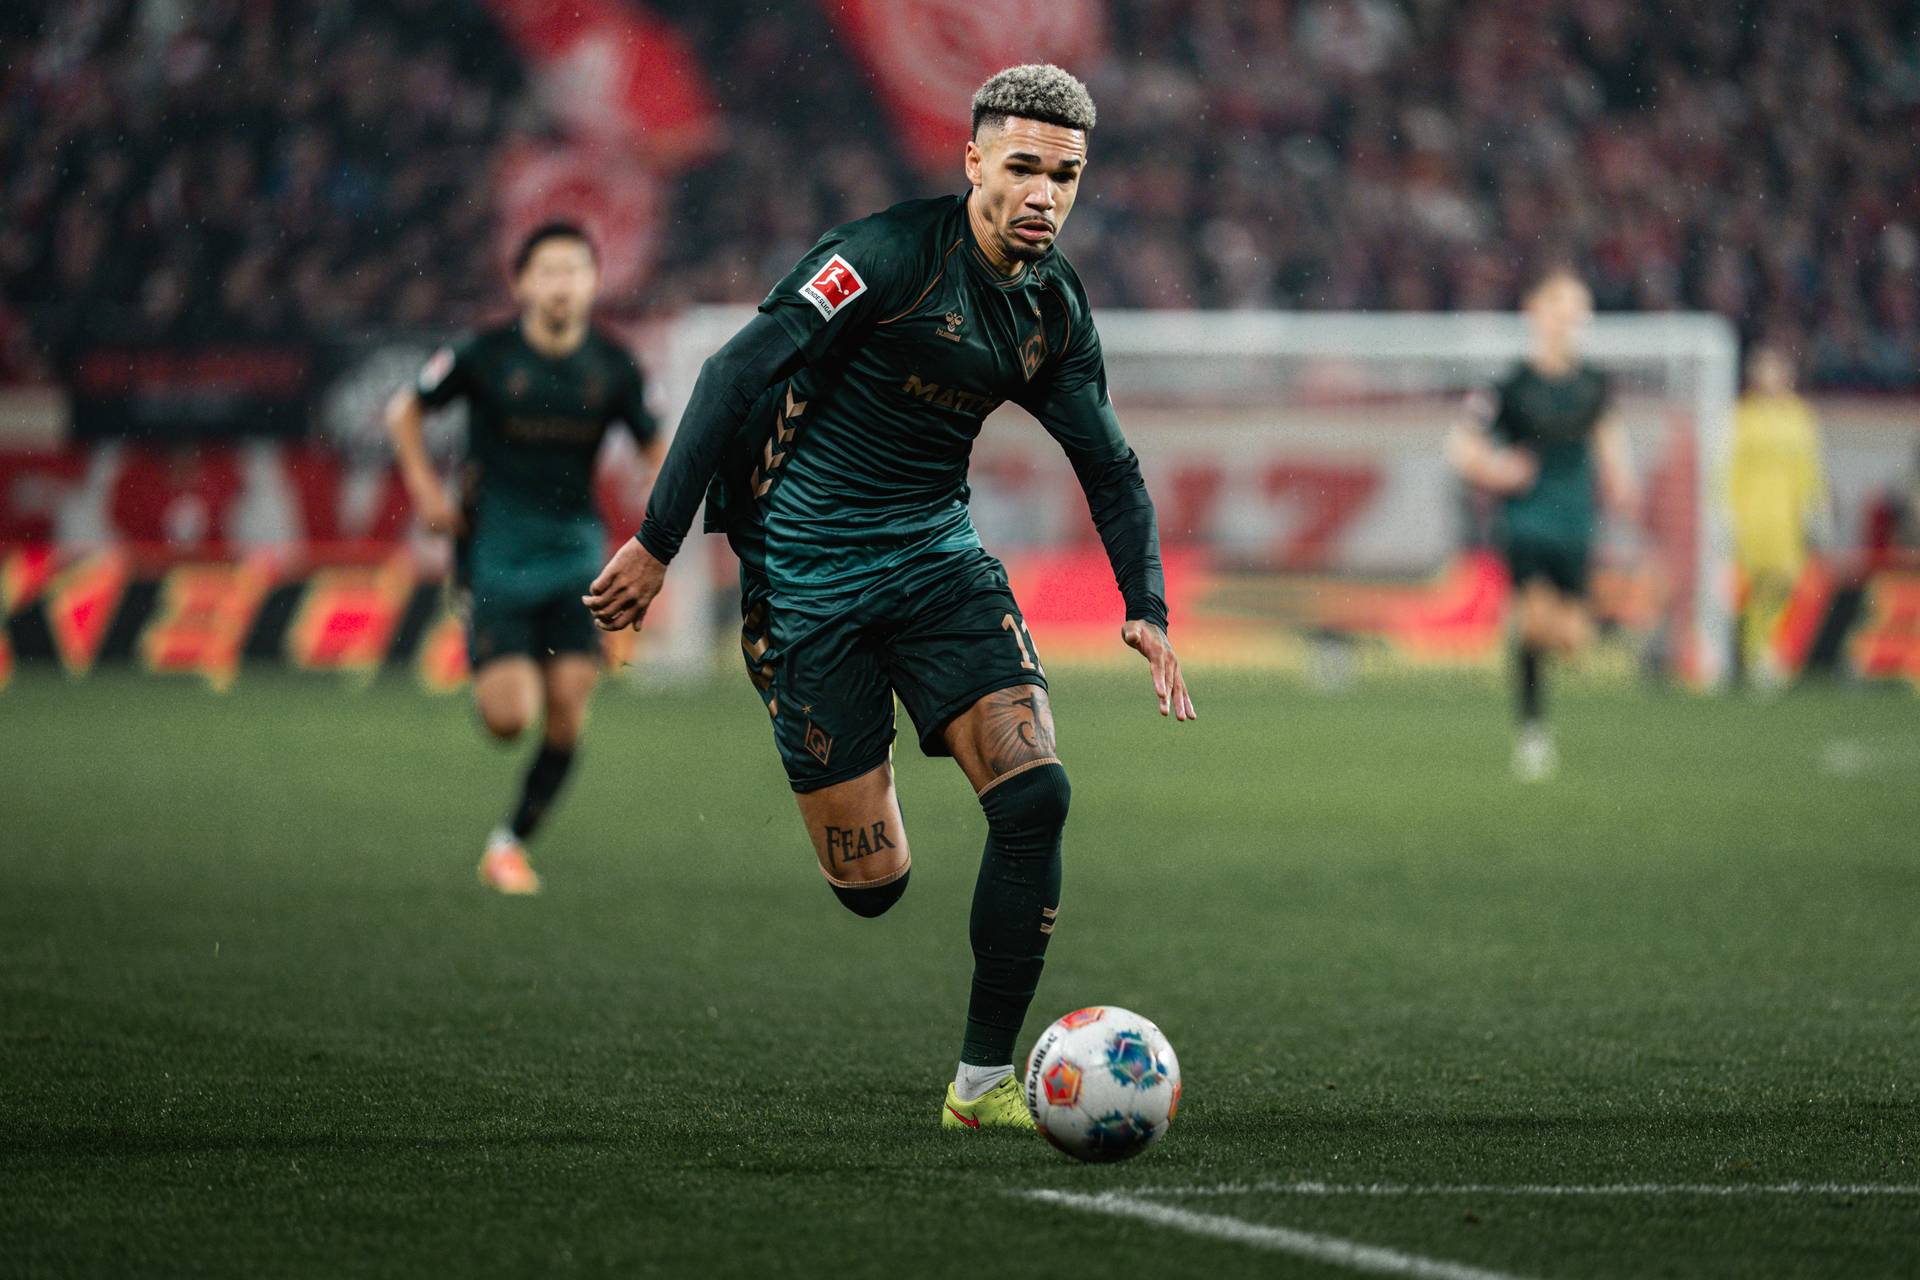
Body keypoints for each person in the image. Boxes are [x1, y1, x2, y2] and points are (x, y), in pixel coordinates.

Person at [583, 64, 1195, 1130]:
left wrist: (1145, 599)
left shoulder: (1048, 309)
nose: (1044, 193)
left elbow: (1111, 465)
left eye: (1066, 174)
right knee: (873, 885)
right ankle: (860, 767)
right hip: (807, 587)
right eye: (1022, 167)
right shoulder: (883, 258)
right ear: (972, 163)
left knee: (1036, 795)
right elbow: (731, 374)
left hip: (937, 565)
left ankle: (979, 1085)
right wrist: (657, 542)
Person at [386, 222, 662, 894]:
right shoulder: (484, 355)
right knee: (510, 720)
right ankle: (492, 656)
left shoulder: (614, 367)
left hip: (575, 556)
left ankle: (509, 844)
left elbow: (657, 445)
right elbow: (404, 412)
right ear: (522, 283)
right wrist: (426, 491)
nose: (562, 284)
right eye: (549, 271)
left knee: (568, 707)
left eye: (574, 270)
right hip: (495, 556)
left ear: (594, 282)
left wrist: (658, 521)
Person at [1447, 267, 1638, 780]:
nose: (1570, 318)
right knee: (1532, 621)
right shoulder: (1508, 386)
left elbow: (1610, 438)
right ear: (1536, 311)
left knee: (1573, 639)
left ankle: (1536, 644)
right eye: (1561, 305)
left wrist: (1622, 480)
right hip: (1527, 519)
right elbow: (1461, 447)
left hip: (1576, 520)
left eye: (1578, 308)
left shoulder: (1594, 384)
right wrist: (1498, 469)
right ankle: (1532, 733)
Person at [1728, 343, 1827, 688]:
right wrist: (1726, 511)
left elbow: (1809, 469)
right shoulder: (1742, 417)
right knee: (1751, 588)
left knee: (1785, 583)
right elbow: (1727, 470)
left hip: (1787, 519)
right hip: (1751, 516)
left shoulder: (1800, 418)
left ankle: (1768, 651)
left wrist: (1815, 507)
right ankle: (1753, 655)